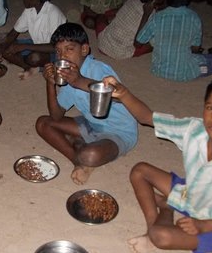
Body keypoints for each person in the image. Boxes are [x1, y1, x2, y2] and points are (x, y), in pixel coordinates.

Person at [102, 73, 212, 253]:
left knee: (161, 236)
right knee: (140, 170)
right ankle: (160, 216)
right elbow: (147, 117)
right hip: (190, 195)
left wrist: (205, 225)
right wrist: (123, 93)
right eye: (210, 107)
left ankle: (159, 223)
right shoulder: (195, 130)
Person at [36, 23, 138, 185]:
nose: (63, 57)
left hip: (119, 132)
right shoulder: (68, 76)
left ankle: (83, 153)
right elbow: (55, 116)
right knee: (42, 123)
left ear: (84, 50)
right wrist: (50, 83)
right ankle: (78, 163)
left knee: (89, 155)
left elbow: (119, 97)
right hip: (91, 124)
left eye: (69, 49)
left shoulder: (99, 69)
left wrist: (79, 81)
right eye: (58, 51)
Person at [136, 0, 212, 82]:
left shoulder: (156, 17)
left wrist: (146, 14)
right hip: (185, 72)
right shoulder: (194, 17)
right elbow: (195, 49)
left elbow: (138, 43)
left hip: (158, 70)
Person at [0, 0, 66, 80]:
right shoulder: (29, 11)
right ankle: (28, 68)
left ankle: (39, 67)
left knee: (34, 58)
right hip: (35, 44)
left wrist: (25, 46)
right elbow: (13, 33)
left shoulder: (53, 13)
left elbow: (55, 47)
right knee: (0, 45)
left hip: (54, 52)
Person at [96, 0, 166, 60]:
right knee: (154, 43)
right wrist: (146, 15)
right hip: (119, 53)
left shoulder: (132, 1)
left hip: (102, 42)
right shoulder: (153, 17)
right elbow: (138, 44)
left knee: (103, 16)